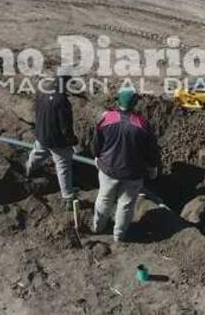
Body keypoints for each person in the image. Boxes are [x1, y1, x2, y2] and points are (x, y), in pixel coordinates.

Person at [92, 86, 160, 242]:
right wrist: (152, 167)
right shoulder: (142, 125)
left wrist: (96, 156)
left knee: (104, 198)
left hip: (108, 169)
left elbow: (96, 142)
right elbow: (151, 151)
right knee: (126, 204)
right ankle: (119, 235)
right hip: (132, 173)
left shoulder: (106, 119)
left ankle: (98, 227)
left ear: (118, 102)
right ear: (135, 103)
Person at [26, 69, 80, 210]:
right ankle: (68, 198)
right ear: (65, 81)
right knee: (63, 167)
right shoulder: (62, 100)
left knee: (37, 154)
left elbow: (36, 111)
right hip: (57, 141)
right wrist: (72, 141)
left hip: (41, 134)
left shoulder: (42, 89)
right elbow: (65, 127)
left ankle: (28, 170)